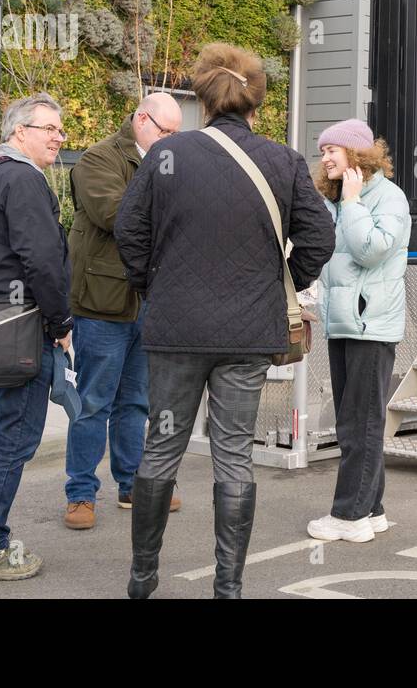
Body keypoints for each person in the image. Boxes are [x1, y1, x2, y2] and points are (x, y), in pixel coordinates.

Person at [115, 43, 334, 599]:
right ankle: (228, 587)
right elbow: (319, 237)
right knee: (233, 453)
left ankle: (143, 578)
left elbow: (128, 231)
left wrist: (153, 286)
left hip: (176, 330)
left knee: (161, 446)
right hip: (248, 331)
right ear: (256, 102)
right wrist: (277, 277)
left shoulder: (168, 155)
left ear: (203, 101)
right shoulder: (282, 160)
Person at [0, 92, 74, 582]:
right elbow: (41, 260)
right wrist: (62, 322)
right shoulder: (22, 178)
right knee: (13, 439)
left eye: (60, 130)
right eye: (48, 128)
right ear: (19, 132)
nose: (58, 138)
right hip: (22, 327)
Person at [62, 93, 185, 530]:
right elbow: (116, 215)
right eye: (164, 130)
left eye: (175, 132)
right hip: (101, 303)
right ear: (140, 119)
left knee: (136, 401)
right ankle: (80, 493)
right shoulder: (98, 159)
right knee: (93, 402)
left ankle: (132, 484)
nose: (170, 139)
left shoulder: (166, 161)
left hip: (147, 301)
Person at [308, 120, 410, 544]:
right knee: (357, 419)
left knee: (360, 423)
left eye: (333, 149)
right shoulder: (336, 199)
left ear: (357, 154)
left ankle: (349, 516)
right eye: (323, 150)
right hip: (344, 322)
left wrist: (352, 204)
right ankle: (373, 509)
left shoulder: (387, 196)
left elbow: (370, 251)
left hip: (371, 325)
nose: (325, 157)